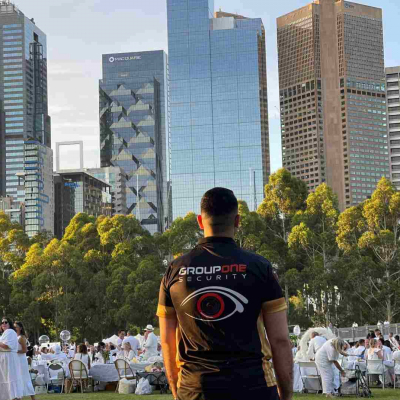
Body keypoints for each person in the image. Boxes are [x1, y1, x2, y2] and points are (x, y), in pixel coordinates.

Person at [157, 188, 293, 400]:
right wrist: (286, 396)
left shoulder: (174, 270)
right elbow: (280, 340)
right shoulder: (260, 268)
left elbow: (167, 341)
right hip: (254, 388)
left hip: (195, 390)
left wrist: (178, 392)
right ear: (237, 220)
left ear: (200, 221)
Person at [0, 317, 24, 400]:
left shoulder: (10, 331)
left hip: (8, 358)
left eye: (5, 322)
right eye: (2, 322)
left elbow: (6, 346)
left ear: (9, 323)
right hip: (5, 359)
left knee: (10, 379)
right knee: (8, 380)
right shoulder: (5, 334)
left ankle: (14, 397)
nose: (3, 324)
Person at [14, 321, 36, 400]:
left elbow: (24, 350)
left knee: (25, 378)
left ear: (20, 328)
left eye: (16, 327)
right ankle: (19, 396)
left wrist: (14, 351)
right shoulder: (14, 337)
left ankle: (33, 397)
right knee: (17, 378)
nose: (14, 328)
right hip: (16, 360)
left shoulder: (21, 337)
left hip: (21, 360)